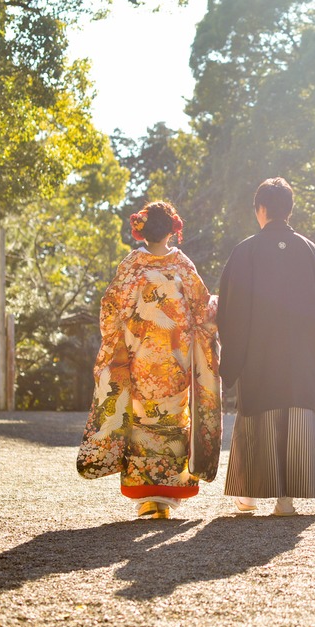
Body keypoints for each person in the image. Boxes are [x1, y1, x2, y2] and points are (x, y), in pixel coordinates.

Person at [77, 201, 222, 520]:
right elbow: (201, 311)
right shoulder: (183, 265)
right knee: (171, 419)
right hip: (175, 361)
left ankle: (146, 497)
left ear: (143, 229)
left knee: (141, 419)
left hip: (140, 361)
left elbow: (111, 312)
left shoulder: (132, 265)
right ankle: (168, 496)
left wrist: (124, 343)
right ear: (172, 229)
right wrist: (220, 304)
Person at [216, 177, 315, 516]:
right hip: (303, 361)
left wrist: (230, 360)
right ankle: (286, 500)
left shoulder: (246, 251)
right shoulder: (309, 250)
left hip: (259, 358)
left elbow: (232, 312)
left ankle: (249, 497)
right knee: (298, 419)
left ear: (261, 209)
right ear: (289, 209)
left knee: (259, 418)